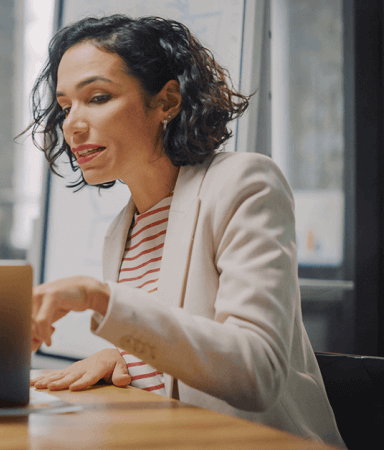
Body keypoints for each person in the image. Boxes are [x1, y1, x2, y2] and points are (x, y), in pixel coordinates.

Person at [25, 14, 344, 447]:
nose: (72, 124)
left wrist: (102, 300)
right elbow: (177, 351)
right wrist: (125, 355)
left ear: (167, 101)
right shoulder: (122, 229)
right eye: (65, 106)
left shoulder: (245, 183)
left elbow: (255, 373)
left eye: (97, 97)